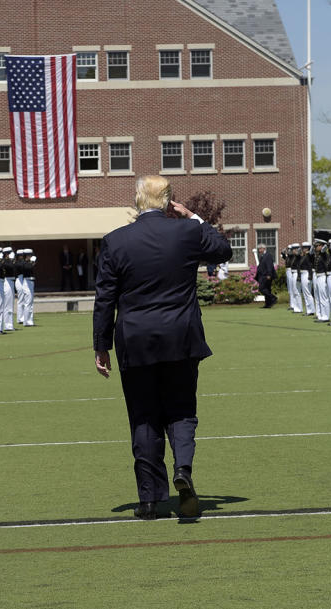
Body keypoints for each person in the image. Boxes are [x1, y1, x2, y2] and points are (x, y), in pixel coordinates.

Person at [93, 175, 231, 520]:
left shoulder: (116, 241)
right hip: (180, 337)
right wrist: (193, 218)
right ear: (170, 201)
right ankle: (182, 468)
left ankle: (150, 500)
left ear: (138, 201)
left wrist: (101, 345)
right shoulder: (186, 232)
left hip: (135, 339)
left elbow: (104, 299)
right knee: (182, 411)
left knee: (144, 417)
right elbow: (223, 250)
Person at [312, 239, 330, 322]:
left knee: (323, 297)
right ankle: (321, 314)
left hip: (323, 276)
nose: (315, 248)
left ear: (322, 246)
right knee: (319, 297)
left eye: (317, 246)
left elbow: (327, 266)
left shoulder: (324, 255)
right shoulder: (318, 255)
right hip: (318, 276)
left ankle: (325, 316)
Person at [255, 243, 276, 308]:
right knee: (267, 289)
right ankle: (268, 304)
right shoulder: (262, 256)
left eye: (260, 249)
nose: (259, 250)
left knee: (262, 289)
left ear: (263, 248)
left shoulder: (268, 255)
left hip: (266, 275)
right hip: (262, 275)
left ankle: (273, 297)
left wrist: (269, 274)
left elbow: (269, 266)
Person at [2, 246, 16, 331]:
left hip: (10, 281)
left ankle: (9, 324)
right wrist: (11, 260)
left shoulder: (8, 261)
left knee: (10, 304)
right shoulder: (6, 262)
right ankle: (8, 325)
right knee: (8, 305)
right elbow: (11, 267)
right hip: (7, 281)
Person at [298, 242, 314, 315]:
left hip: (306, 274)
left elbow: (310, 266)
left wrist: (310, 276)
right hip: (303, 274)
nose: (302, 249)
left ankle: (311, 310)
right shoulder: (303, 256)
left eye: (304, 248)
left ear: (307, 248)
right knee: (305, 293)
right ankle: (309, 309)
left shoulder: (308, 256)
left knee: (308, 293)